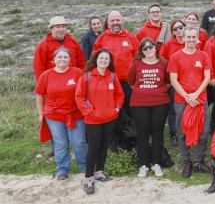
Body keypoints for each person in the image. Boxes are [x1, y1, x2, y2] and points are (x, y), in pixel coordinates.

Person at [75, 48, 125, 194]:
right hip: (93, 119)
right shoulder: (87, 76)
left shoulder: (113, 77)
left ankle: (99, 172)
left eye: (106, 59)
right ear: (96, 59)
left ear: (110, 62)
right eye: (101, 58)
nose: (104, 61)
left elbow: (119, 95)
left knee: (104, 146)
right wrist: (89, 112)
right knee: (93, 148)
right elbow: (79, 97)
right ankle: (89, 177)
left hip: (110, 118)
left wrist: (116, 109)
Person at [35, 47, 86, 180]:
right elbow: (40, 95)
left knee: (79, 142)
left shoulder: (78, 72)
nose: (62, 59)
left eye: (65, 57)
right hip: (54, 115)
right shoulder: (46, 75)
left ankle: (85, 166)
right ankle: (62, 169)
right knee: (60, 143)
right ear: (54, 60)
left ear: (70, 59)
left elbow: (87, 92)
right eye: (59, 57)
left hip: (76, 114)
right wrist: (41, 115)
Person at [168, 26, 212, 178]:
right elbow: (173, 80)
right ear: (184, 38)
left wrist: (196, 95)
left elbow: (207, 77)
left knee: (204, 130)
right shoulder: (175, 56)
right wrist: (187, 96)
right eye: (189, 37)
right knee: (182, 131)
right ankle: (187, 161)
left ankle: (199, 160)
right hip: (182, 100)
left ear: (198, 38)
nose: (192, 40)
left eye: (194, 37)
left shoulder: (203, 55)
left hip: (200, 99)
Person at [127, 39, 170, 178]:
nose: (148, 50)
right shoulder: (136, 63)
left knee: (157, 133)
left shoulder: (163, 62)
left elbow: (168, 81)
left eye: (150, 47)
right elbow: (131, 81)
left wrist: (158, 91)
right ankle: (143, 164)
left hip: (160, 102)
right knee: (143, 134)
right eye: (144, 49)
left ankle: (156, 163)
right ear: (141, 51)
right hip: (139, 103)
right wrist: (143, 92)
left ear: (155, 47)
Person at [94, 11, 139, 118]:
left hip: (128, 83)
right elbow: (95, 60)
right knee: (112, 111)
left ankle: (130, 134)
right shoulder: (101, 39)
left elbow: (139, 60)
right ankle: (113, 134)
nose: (115, 23)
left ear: (122, 21)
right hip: (108, 82)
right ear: (108, 23)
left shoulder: (131, 38)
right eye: (112, 20)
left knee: (130, 112)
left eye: (118, 20)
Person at [34, 16, 86, 81]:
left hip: (73, 82)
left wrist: (82, 80)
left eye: (63, 26)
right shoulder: (43, 45)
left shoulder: (73, 42)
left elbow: (81, 64)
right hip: (53, 83)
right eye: (57, 27)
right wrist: (42, 85)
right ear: (51, 29)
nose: (61, 29)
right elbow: (39, 69)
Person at [159, 18, 186, 146]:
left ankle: (187, 131)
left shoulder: (191, 42)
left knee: (188, 108)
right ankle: (173, 133)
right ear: (172, 32)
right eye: (175, 29)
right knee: (174, 109)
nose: (179, 30)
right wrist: (166, 81)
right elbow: (162, 63)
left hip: (189, 81)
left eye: (181, 27)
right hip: (174, 82)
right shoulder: (168, 45)